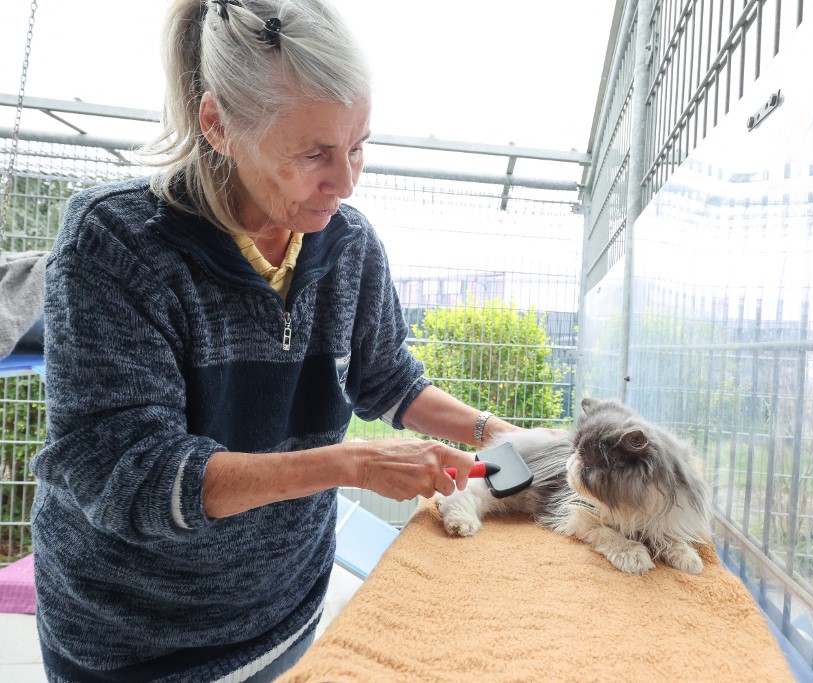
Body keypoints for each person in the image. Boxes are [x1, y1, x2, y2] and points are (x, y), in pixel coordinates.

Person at [30, 0, 526, 680]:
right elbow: (130, 475)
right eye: (315, 153)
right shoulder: (114, 245)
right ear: (218, 124)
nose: (347, 181)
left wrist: (493, 429)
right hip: (134, 644)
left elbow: (389, 379)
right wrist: (347, 464)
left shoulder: (349, 247)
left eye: (357, 146)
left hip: (287, 615)